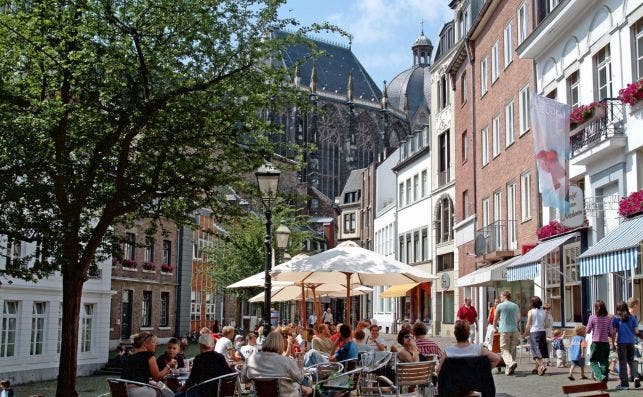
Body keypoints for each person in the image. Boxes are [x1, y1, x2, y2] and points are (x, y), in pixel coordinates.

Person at [241, 331, 313, 397]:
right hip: (286, 395)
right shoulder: (286, 361)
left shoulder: (250, 360)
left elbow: (243, 380)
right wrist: (300, 363)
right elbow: (300, 378)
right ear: (280, 344)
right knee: (309, 390)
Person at [121, 332, 175, 397]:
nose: (156, 345)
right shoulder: (149, 355)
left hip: (123, 392)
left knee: (158, 386)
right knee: (163, 392)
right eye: (153, 342)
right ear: (145, 344)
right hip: (139, 392)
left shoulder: (129, 356)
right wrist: (168, 366)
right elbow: (157, 378)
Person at [611, 301, 641, 389]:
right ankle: (635, 377)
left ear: (618, 310)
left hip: (621, 343)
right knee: (631, 361)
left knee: (623, 363)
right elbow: (636, 331)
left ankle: (624, 384)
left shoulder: (616, 318)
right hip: (631, 342)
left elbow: (613, 332)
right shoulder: (632, 317)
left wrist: (613, 343)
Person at [493, 290, 520, 375]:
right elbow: (518, 318)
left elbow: (495, 318)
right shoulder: (515, 306)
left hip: (504, 329)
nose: (500, 298)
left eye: (501, 297)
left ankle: (511, 363)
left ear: (504, 296)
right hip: (514, 330)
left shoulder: (500, 306)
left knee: (504, 349)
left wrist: (494, 327)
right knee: (512, 349)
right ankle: (508, 370)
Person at [586, 299, 612, 383]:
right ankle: (604, 380)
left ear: (596, 308)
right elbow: (611, 333)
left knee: (593, 361)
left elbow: (588, 330)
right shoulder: (608, 319)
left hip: (595, 343)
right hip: (605, 343)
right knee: (604, 361)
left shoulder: (592, 317)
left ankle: (600, 376)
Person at [523, 296, 549, 376]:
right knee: (540, 350)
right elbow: (546, 324)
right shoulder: (545, 311)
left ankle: (542, 365)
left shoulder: (531, 311)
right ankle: (536, 368)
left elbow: (528, 324)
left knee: (535, 351)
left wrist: (525, 333)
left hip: (534, 332)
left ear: (532, 303)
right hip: (542, 332)